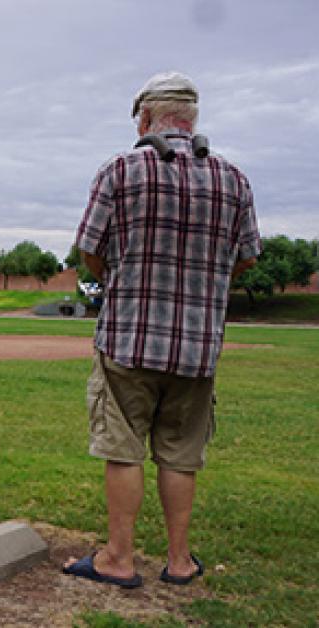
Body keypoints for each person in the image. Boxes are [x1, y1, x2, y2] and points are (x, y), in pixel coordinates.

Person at [62, 71, 262, 588]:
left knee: (123, 447)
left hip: (127, 339)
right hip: (197, 348)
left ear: (146, 116)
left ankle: (119, 559)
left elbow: (90, 250)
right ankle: (178, 561)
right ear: (191, 118)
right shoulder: (234, 180)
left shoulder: (120, 170)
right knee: (180, 453)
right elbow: (245, 258)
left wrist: (123, 280)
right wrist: (205, 284)